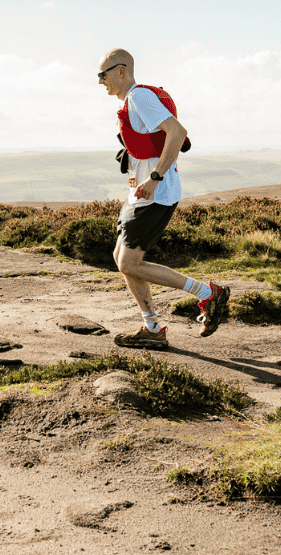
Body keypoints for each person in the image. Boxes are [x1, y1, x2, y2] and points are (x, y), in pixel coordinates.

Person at [98, 48, 229, 348]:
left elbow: (178, 132)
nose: (100, 81)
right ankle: (152, 327)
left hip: (156, 194)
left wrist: (155, 178)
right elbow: (152, 141)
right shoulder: (134, 101)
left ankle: (208, 293)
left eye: (102, 74)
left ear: (121, 71)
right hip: (139, 194)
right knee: (122, 259)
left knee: (130, 263)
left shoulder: (139, 97)